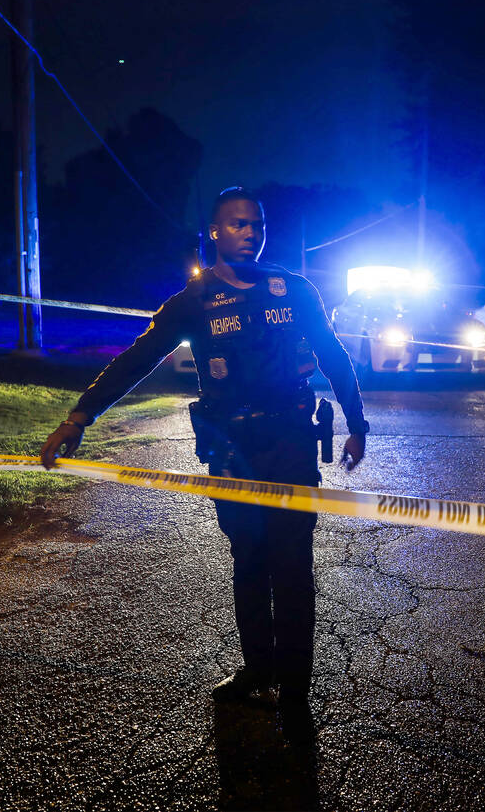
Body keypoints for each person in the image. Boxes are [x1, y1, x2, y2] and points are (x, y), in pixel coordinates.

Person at [41, 187, 369, 743]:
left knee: (292, 568)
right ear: (215, 233)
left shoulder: (293, 289)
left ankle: (295, 693)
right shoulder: (193, 301)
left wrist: (357, 423)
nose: (250, 232)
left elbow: (333, 354)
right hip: (233, 449)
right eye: (237, 224)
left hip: (290, 444)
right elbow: (136, 361)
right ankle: (257, 670)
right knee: (249, 560)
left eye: (256, 224)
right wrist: (79, 418)